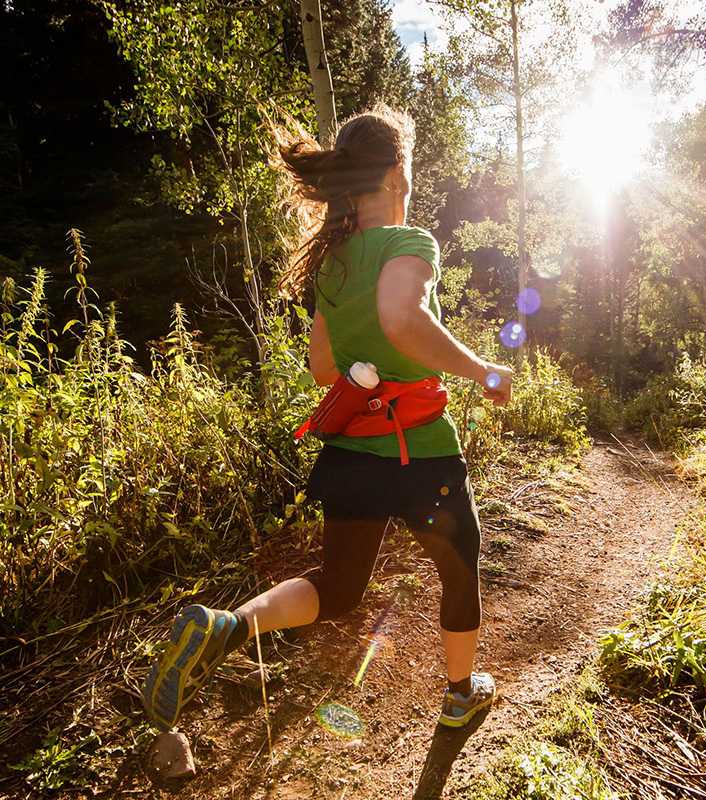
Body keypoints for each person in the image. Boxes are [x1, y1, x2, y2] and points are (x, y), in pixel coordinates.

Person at [141, 105, 513, 732]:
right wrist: (483, 371)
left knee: (338, 587)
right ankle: (460, 693)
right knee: (459, 565)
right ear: (398, 175)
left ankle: (229, 627)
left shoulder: (332, 262)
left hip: (349, 452)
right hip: (418, 450)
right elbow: (402, 318)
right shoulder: (409, 241)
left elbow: (321, 366)